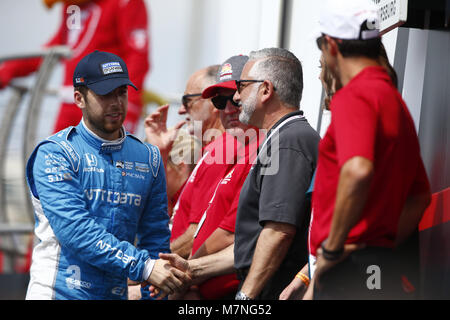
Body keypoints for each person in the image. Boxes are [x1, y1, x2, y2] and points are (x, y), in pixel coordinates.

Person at [24, 50, 189, 300]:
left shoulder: (149, 157)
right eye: (105, 94)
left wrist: (153, 293)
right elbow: (75, 230)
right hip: (58, 293)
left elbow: (155, 238)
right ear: (79, 98)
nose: (116, 102)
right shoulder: (55, 154)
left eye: (121, 92)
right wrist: (145, 267)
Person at [307, 0, 431, 300]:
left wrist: (334, 249)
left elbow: (358, 169)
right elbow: (419, 198)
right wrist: (379, 243)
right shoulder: (394, 101)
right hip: (379, 268)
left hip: (349, 270)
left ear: (331, 46)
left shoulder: (356, 94)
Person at [232, 48, 320, 300]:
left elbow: (278, 232)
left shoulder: (288, 141)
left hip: (273, 289)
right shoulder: (284, 138)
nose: (236, 96)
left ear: (266, 90)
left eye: (242, 85)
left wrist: (245, 298)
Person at [0, 0, 150, 133]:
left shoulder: (126, 2)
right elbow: (56, 49)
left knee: (103, 163)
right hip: (69, 105)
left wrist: (129, 107)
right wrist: (7, 70)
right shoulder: (72, 7)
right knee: (55, 160)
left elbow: (137, 57)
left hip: (105, 105)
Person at [145, 65, 234, 261]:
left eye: (188, 100)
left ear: (213, 102)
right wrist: (160, 153)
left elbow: (197, 235)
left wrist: (145, 267)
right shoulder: (212, 150)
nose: (182, 110)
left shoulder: (221, 151)